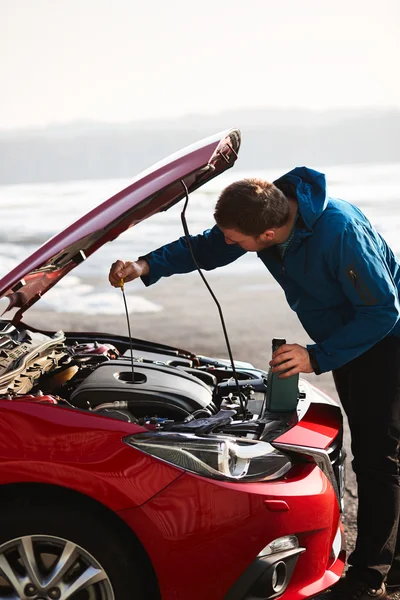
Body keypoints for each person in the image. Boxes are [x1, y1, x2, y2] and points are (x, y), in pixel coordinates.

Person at [109, 167, 400, 600]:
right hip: (345, 336)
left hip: (382, 340)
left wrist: (314, 356)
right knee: (379, 451)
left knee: (378, 457)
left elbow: (383, 311)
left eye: (238, 240)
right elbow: (209, 245)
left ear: (267, 234)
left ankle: (370, 576)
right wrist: (146, 264)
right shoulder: (270, 213)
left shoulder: (339, 233)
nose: (229, 243)